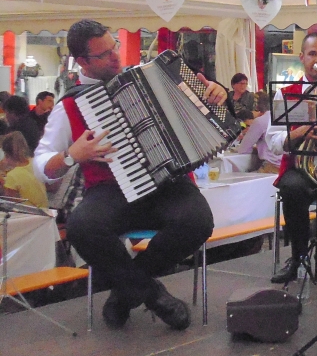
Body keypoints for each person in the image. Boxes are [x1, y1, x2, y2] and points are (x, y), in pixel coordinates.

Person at [33, 19, 228, 331]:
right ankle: (153, 295)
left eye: (115, 47)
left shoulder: (152, 76)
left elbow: (202, 108)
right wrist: (71, 155)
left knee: (198, 221)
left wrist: (216, 93)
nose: (115, 57)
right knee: (82, 227)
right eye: (104, 54)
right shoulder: (69, 105)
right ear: (82, 61)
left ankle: (124, 295)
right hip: (111, 190)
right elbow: (41, 164)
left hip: (169, 182)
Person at [266, 32, 317, 284]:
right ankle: (298, 257)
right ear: (301, 57)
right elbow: (273, 141)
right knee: (292, 188)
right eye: (313, 54)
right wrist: (299, 133)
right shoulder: (285, 94)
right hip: (301, 169)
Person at [0, 131, 48, 208]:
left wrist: (3, 182)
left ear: (6, 155)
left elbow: (10, 204)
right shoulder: (34, 162)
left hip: (29, 213)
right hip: (44, 209)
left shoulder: (12, 176)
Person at [237, 91, 280, 174]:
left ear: (258, 106)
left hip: (270, 168)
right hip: (287, 167)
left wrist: (258, 149)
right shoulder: (288, 118)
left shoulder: (261, 121)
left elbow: (243, 149)